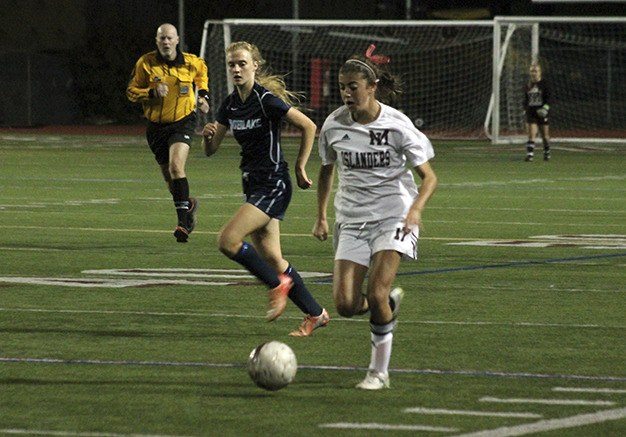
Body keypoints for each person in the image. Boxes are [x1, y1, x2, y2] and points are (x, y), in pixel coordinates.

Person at [312, 45, 438, 390]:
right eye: (342, 86)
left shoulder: (397, 125)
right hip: (351, 218)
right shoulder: (334, 125)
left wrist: (414, 208)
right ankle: (385, 307)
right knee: (345, 305)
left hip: (393, 215)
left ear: (372, 86)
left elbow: (429, 177)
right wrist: (321, 215)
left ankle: (378, 372)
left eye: (353, 86)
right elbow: (326, 170)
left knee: (377, 291)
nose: (346, 93)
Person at [201, 41, 329, 337]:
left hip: (274, 184)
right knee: (273, 259)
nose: (236, 69)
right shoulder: (229, 104)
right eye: (232, 64)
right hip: (253, 185)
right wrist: (208, 137)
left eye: (242, 63)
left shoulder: (265, 100)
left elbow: (308, 126)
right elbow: (211, 150)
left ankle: (276, 284)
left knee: (227, 240)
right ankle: (315, 313)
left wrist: (300, 166)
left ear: (255, 66)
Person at [126, 23, 209, 242]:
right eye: (161, 38)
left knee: (176, 166)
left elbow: (202, 76)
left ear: (177, 40)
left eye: (169, 38)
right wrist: (151, 92)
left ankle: (182, 224)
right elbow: (131, 92)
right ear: (156, 41)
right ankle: (188, 205)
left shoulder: (192, 62)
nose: (166, 42)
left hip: (183, 121)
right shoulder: (145, 63)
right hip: (155, 127)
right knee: (170, 179)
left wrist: (204, 97)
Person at [523, 62, 551, 161]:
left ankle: (546, 152)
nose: (533, 73)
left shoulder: (545, 84)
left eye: (535, 71)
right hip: (531, 112)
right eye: (531, 71)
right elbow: (526, 99)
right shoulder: (528, 85)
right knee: (531, 135)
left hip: (542, 113)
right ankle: (530, 155)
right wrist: (524, 109)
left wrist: (545, 108)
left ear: (540, 72)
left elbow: (549, 99)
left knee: (545, 136)